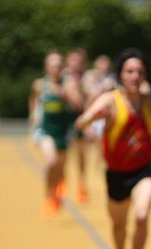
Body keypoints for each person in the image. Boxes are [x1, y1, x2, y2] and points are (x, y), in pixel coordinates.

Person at [75, 47, 151, 249]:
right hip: (116, 174)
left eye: (140, 71)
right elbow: (81, 122)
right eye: (130, 71)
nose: (135, 76)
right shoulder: (109, 100)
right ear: (121, 75)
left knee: (141, 215)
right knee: (119, 226)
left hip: (145, 170)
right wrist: (91, 120)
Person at [28, 50, 84, 218]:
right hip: (45, 130)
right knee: (51, 162)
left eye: (58, 65)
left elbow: (79, 105)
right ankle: (48, 196)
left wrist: (66, 95)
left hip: (64, 131)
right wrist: (33, 116)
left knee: (60, 166)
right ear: (46, 67)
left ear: (63, 67)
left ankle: (57, 187)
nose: (55, 68)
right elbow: (33, 100)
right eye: (51, 65)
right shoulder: (39, 85)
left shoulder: (69, 85)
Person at [64, 47, 91, 204]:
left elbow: (86, 101)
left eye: (78, 61)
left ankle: (82, 183)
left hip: (80, 119)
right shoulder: (62, 78)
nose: (75, 64)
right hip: (65, 121)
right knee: (63, 154)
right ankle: (63, 181)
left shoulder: (86, 79)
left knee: (81, 155)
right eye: (72, 60)